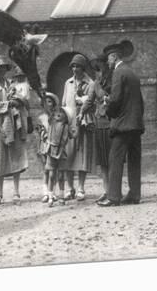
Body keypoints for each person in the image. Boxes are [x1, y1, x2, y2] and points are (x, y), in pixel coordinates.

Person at [98, 41, 144, 207]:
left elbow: (116, 99)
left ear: (114, 57)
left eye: (109, 60)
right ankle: (134, 195)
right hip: (136, 125)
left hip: (123, 125)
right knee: (134, 160)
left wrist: (107, 106)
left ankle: (113, 197)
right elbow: (140, 101)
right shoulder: (132, 73)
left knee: (115, 159)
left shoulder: (118, 72)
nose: (108, 63)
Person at [0, 56, 29, 206]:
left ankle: (16, 192)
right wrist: (8, 104)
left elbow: (22, 100)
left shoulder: (11, 83)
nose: (1, 71)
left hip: (13, 124)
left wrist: (17, 101)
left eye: (4, 68)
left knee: (15, 156)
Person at [60, 54, 97, 202]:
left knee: (82, 156)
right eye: (73, 66)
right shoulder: (67, 83)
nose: (75, 69)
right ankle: (70, 189)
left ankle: (81, 188)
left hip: (83, 124)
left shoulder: (90, 83)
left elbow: (93, 104)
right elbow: (63, 104)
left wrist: (82, 101)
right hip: (69, 126)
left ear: (83, 68)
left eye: (78, 66)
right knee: (68, 156)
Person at [81, 54, 113, 203]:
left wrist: (99, 87)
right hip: (100, 124)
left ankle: (113, 190)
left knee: (112, 160)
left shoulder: (112, 81)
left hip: (111, 124)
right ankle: (106, 190)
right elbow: (89, 101)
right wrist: (81, 113)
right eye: (95, 71)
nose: (97, 74)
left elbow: (106, 97)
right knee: (103, 162)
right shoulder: (96, 84)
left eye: (99, 70)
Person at [39, 94, 75, 207]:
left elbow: (72, 135)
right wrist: (45, 138)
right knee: (50, 174)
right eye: (58, 114)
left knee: (60, 175)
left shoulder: (65, 127)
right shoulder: (50, 120)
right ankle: (50, 195)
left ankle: (61, 195)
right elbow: (43, 127)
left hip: (61, 152)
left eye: (62, 115)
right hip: (50, 149)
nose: (59, 116)